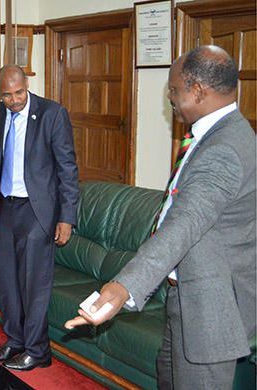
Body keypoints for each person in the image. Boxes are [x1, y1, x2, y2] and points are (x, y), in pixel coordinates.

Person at [65, 45, 256, 389]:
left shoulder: (225, 149)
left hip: (211, 309)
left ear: (197, 91)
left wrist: (122, 289)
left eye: (173, 89)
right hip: (185, 297)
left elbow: (184, 223)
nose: (169, 96)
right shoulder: (215, 134)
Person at [0, 64, 79, 371]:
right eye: (7, 95)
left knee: (34, 283)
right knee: (9, 279)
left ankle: (38, 350)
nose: (13, 100)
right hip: (9, 207)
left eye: (19, 92)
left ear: (28, 84)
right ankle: (15, 340)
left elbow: (67, 169)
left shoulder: (52, 113)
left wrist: (67, 217)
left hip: (39, 211)